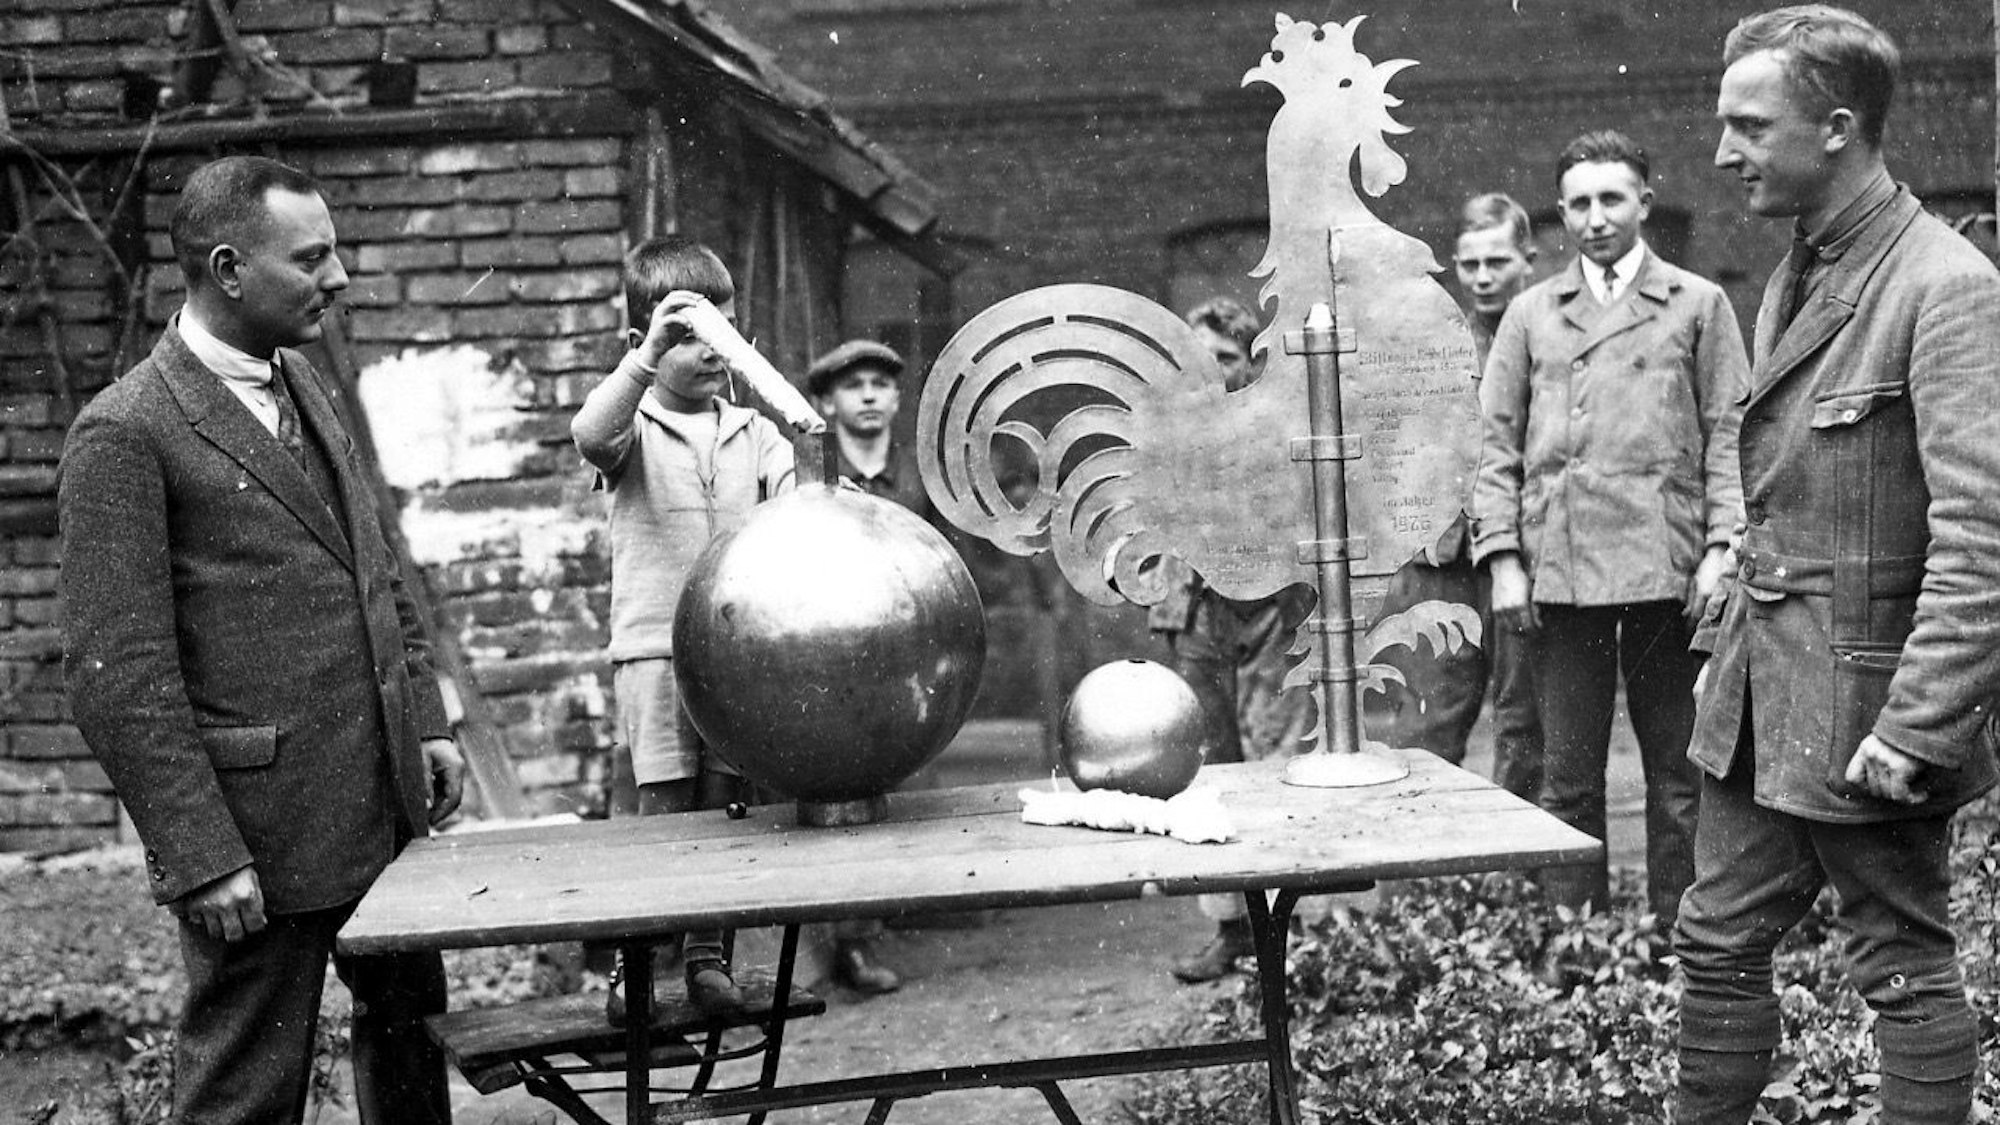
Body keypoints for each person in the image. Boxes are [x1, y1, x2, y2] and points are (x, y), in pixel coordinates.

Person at [58, 155, 463, 1125]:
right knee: (243, 1097)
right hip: (258, 847)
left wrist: (426, 726)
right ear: (229, 269)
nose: (341, 278)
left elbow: (374, 569)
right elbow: (121, 680)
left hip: (383, 813)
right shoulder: (125, 433)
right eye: (313, 258)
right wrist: (200, 855)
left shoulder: (305, 385)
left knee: (411, 1077)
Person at [1674, 9, 2000, 1122]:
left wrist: (1917, 729)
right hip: (1761, 693)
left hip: (1866, 707)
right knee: (1712, 940)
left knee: (1898, 966)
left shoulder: (1942, 286)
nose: (1723, 153)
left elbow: (1981, 537)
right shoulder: (1794, 272)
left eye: (1747, 126)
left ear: (1837, 129)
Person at [1472, 129, 1749, 927]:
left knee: (1678, 771)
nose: (1596, 219)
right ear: (1560, 213)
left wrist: (1721, 550)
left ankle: (1683, 938)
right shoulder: (1532, 313)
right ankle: (1579, 943)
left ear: (1644, 204)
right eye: (1580, 204)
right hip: (1563, 567)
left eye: (1612, 199)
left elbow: (1731, 432)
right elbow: (1495, 445)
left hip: (1669, 565)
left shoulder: (1698, 304)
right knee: (1568, 773)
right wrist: (1502, 559)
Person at [571, 235, 795, 1017]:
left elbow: (793, 513)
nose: (710, 352)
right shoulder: (632, 426)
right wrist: (644, 361)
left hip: (733, 656)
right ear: (643, 343)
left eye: (724, 332)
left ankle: (708, 961)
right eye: (687, 336)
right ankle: (632, 972)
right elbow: (591, 434)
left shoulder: (756, 434)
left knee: (727, 805)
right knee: (661, 812)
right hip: (654, 652)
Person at [1157, 297, 1318, 984]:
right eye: (1198, 358)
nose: (1209, 371)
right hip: (1196, 613)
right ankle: (1229, 926)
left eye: (1222, 358)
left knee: (1273, 762)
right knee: (1206, 768)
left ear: (1248, 363)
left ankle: (1288, 931)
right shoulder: (1166, 431)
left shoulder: (1278, 423)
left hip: (1269, 614)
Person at [1369, 194, 1547, 800]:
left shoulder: (1549, 336)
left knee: (1525, 726)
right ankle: (1418, 889)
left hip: (1522, 560)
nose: (1482, 277)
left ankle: (1517, 884)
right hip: (1440, 562)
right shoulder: (1428, 344)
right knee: (1426, 725)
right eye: (1469, 265)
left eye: (1497, 261)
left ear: (1529, 260)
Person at [800, 338, 925, 995]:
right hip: (832, 646)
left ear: (899, 398)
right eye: (854, 386)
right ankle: (845, 941)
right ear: (827, 401)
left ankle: (870, 924)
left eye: (882, 383)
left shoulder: (916, 477)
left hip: (903, 649)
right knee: (837, 783)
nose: (870, 395)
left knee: (891, 780)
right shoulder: (813, 474)